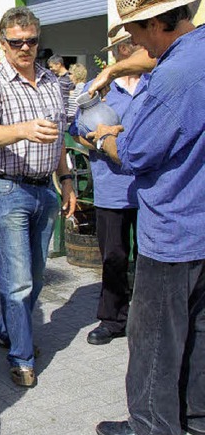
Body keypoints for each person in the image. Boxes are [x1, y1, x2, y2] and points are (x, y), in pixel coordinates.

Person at [88, 0, 205, 435]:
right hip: (201, 227)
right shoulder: (198, 52)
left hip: (173, 232)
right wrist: (114, 71)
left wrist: (106, 136)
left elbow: (137, 154)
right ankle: (195, 420)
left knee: (154, 337)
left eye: (135, 31)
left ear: (158, 23)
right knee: (197, 334)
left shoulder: (173, 77)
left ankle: (151, 428)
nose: (132, 42)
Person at [0, 7, 76, 388]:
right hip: (8, 189)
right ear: (4, 45)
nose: (25, 48)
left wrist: (66, 178)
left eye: (31, 41)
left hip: (44, 191)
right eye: (17, 42)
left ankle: (9, 329)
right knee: (17, 280)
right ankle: (21, 355)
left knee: (34, 275)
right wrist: (23, 130)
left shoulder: (52, 81)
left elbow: (60, 137)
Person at [69, 29, 146, 348]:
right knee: (113, 256)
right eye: (118, 47)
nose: (123, 51)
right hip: (111, 187)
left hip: (149, 188)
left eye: (128, 45)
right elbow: (76, 131)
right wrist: (98, 141)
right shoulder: (96, 88)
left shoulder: (155, 83)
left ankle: (146, 318)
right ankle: (113, 318)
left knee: (149, 258)